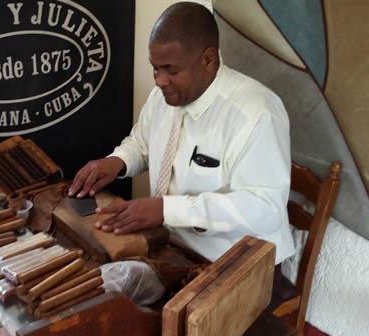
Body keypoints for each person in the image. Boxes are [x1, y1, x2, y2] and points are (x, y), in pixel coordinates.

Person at [68, 2, 294, 265]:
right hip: (172, 247)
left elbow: (265, 208)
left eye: (171, 70)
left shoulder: (256, 114)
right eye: (155, 68)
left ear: (208, 59)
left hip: (237, 266)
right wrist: (117, 162)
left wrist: (166, 210)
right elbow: (142, 143)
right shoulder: (164, 96)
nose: (159, 81)